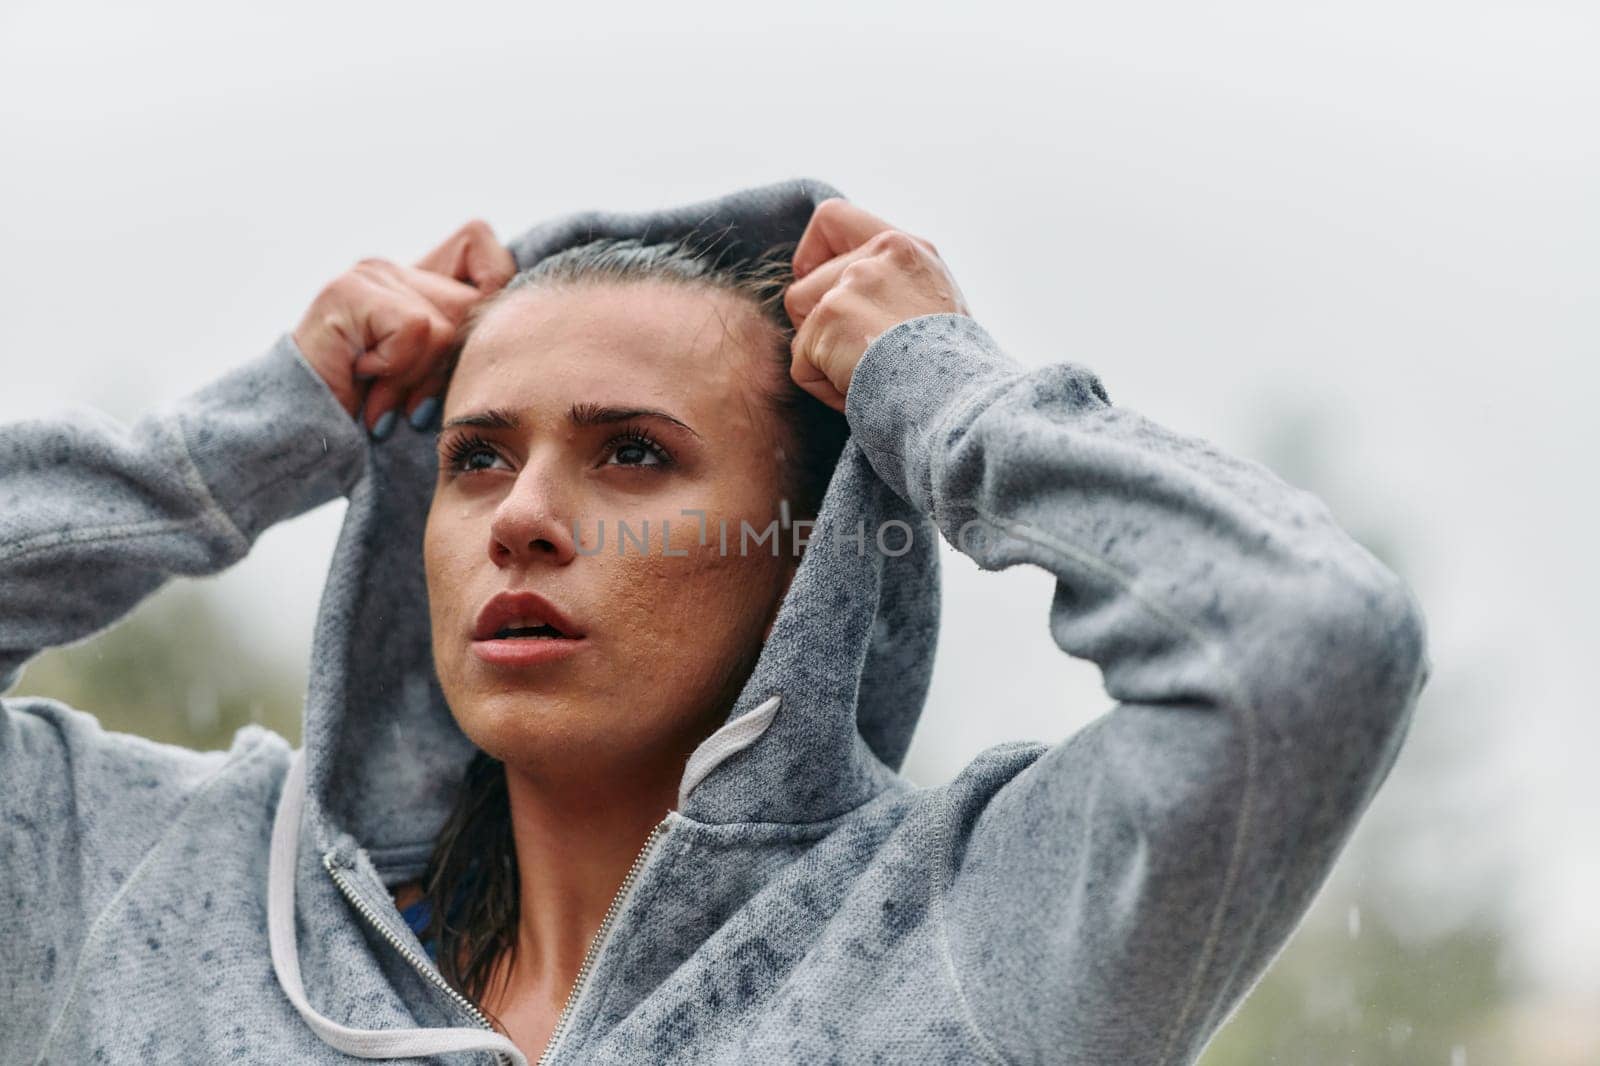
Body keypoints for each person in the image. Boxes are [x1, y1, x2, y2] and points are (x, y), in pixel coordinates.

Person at [0, 178, 1430, 1065]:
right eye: (477, 456)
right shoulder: (153, 885)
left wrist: (949, 397)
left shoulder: (969, 932)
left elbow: (1304, 647)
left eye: (632, 452)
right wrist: (224, 451)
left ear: (804, 557)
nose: (522, 515)